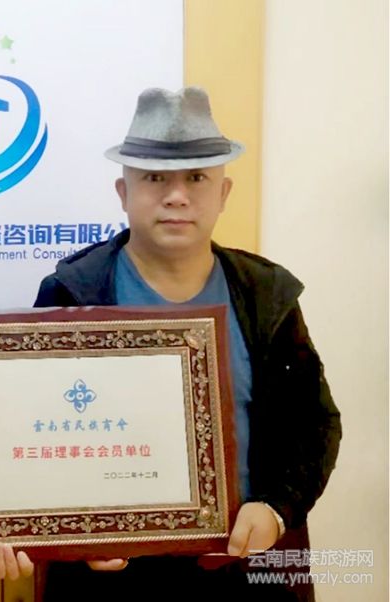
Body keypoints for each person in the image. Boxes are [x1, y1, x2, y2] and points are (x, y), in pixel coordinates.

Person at [27, 87, 342, 601]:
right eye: (154, 178)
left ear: (224, 193)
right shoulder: (71, 293)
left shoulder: (265, 295)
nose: (176, 196)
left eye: (197, 177)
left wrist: (277, 509)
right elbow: (33, 434)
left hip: (243, 569)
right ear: (123, 192)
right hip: (109, 581)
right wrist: (73, 536)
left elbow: (314, 422)